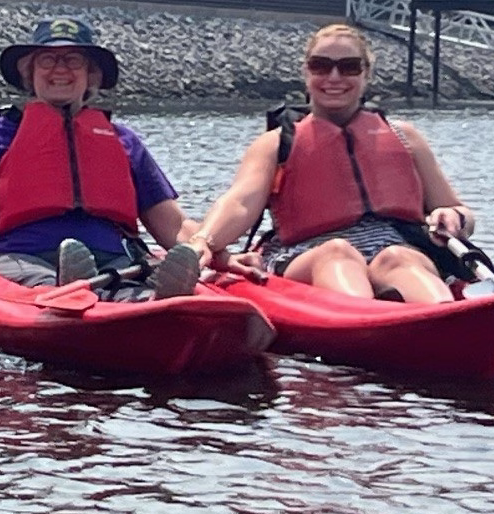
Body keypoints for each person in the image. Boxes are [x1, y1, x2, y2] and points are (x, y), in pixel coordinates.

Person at [0, 16, 205, 299]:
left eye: (73, 60)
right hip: (22, 258)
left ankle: (152, 301)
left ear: (90, 76)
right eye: (48, 60)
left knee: (127, 288)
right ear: (30, 74)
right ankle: (70, 290)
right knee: (47, 284)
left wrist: (204, 246)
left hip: (115, 260)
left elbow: (172, 224)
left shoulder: (124, 142)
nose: (60, 69)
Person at [190, 22, 475, 303]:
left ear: (367, 74)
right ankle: (364, 318)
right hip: (306, 251)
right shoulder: (276, 144)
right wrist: (205, 240)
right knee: (337, 252)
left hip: (396, 243)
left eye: (349, 67)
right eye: (321, 66)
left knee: (399, 257)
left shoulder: (405, 136)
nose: (334, 77)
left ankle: (443, 317)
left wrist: (454, 217)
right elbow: (241, 201)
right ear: (306, 72)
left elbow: (456, 209)